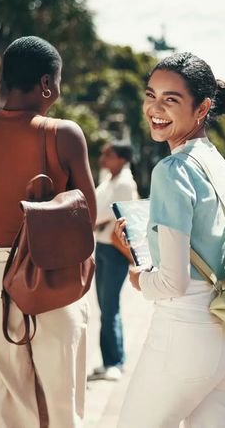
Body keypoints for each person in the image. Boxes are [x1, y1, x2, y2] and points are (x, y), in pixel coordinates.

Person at [0, 36, 96, 427]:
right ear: (46, 83)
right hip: (51, 274)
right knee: (61, 408)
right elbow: (87, 215)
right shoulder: (63, 132)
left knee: (0, 408)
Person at [114, 52, 225, 427]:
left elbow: (171, 282)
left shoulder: (172, 170)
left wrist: (137, 275)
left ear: (202, 107)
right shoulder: (214, 161)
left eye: (171, 99)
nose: (155, 109)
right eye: (151, 95)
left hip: (186, 334)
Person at [89, 141, 138, 381]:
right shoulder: (109, 180)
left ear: (120, 158)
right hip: (103, 246)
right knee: (103, 307)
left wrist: (94, 221)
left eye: (108, 154)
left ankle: (115, 362)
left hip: (115, 250)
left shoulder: (125, 183)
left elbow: (113, 213)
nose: (103, 157)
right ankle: (107, 360)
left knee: (110, 307)